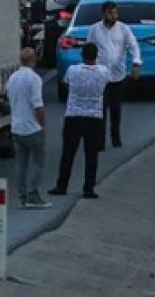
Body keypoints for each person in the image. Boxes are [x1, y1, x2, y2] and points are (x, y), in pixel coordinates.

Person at [50, 43, 110, 199]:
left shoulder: (73, 70)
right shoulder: (103, 71)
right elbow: (106, 85)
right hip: (94, 117)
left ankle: (62, 185)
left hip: (74, 115)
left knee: (68, 153)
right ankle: (88, 188)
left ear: (82, 55)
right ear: (96, 56)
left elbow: (66, 83)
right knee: (91, 155)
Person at [86, 1, 142, 148]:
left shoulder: (123, 29)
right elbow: (89, 48)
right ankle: (100, 140)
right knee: (101, 109)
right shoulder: (94, 29)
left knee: (116, 108)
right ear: (104, 14)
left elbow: (134, 46)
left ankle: (116, 138)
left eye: (115, 13)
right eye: (110, 13)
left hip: (118, 75)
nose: (114, 16)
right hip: (100, 75)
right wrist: (89, 67)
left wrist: (136, 63)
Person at [6, 48, 50, 209]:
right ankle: (33, 194)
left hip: (16, 127)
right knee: (39, 161)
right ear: (33, 60)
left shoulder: (12, 78)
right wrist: (42, 124)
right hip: (32, 127)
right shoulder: (34, 78)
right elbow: (37, 104)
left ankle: (22, 195)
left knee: (21, 163)